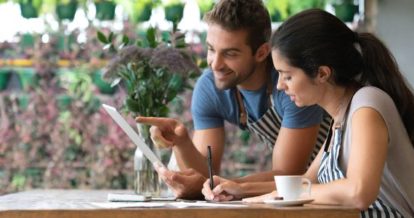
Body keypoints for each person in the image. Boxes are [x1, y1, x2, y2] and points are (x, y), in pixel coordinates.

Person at [202, 8, 414, 216]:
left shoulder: (366, 105)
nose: (280, 86)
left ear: (322, 73)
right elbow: (307, 181)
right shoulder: (340, 119)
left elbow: (358, 192)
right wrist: (240, 189)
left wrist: (280, 195)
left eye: (288, 76)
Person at [136, 0, 330, 199]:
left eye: (230, 53)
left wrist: (227, 185)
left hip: (331, 186)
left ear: (262, 52)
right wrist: (181, 142)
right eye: (211, 49)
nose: (216, 64)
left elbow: (286, 175)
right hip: (296, 191)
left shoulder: (291, 84)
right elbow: (203, 178)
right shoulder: (210, 87)